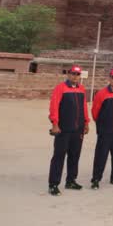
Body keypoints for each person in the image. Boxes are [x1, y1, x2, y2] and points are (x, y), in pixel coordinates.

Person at [47, 65, 90, 196]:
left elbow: (84, 107)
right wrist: (55, 123)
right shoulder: (60, 88)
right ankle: (53, 184)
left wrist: (86, 122)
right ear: (68, 74)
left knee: (74, 155)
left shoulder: (82, 89)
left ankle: (71, 180)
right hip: (63, 129)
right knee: (59, 156)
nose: (75, 76)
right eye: (73, 74)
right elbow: (54, 106)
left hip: (78, 129)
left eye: (78, 74)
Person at [90, 68, 113, 189]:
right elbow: (95, 112)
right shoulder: (101, 93)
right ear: (109, 79)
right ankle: (96, 179)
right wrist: (102, 125)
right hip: (105, 130)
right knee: (101, 155)